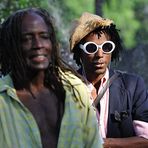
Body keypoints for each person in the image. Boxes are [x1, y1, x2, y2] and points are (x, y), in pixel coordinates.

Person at [0, 8, 103, 148]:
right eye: (27, 39)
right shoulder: (3, 101)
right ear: (12, 46)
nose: (38, 45)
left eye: (44, 36)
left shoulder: (75, 90)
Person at [69, 12, 148, 147]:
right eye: (91, 48)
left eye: (106, 47)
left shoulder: (133, 86)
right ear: (79, 53)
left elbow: (145, 139)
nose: (100, 54)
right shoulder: (66, 88)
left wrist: (104, 144)